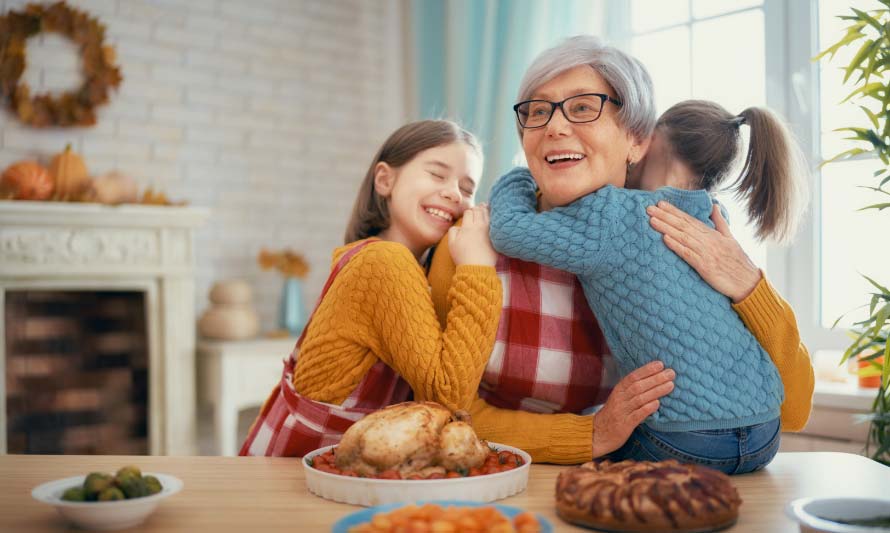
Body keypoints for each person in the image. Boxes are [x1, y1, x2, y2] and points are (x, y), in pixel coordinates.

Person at [428, 36, 814, 473]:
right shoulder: (469, 243)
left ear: (637, 140)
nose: (555, 127)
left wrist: (749, 286)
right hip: (514, 480)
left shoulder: (685, 237)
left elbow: (795, 408)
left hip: (650, 483)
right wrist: (590, 435)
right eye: (538, 111)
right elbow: (445, 410)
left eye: (582, 107)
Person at [241, 120, 502, 457]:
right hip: (293, 476)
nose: (454, 193)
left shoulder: (386, 262)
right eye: (437, 174)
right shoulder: (383, 263)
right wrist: (478, 268)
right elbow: (449, 398)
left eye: (467, 188)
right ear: (385, 179)